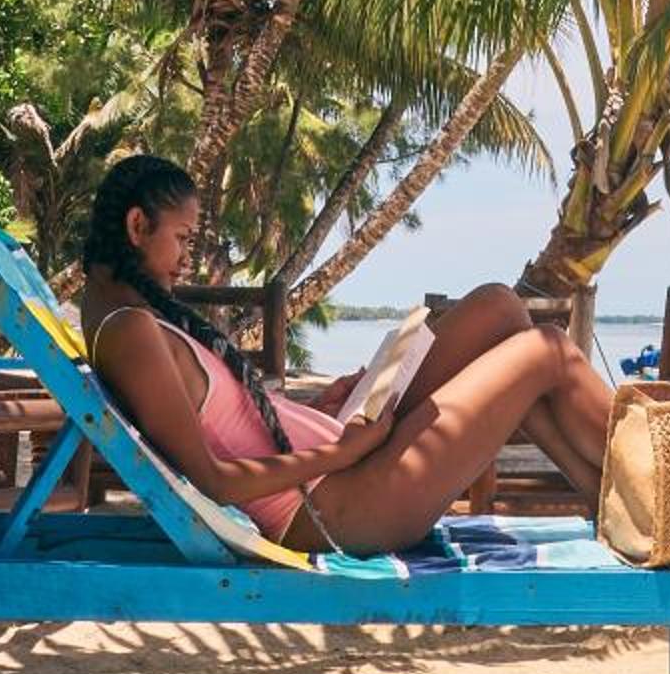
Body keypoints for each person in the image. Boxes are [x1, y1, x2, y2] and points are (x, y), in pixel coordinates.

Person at [79, 153, 615, 556]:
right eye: (183, 238)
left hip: (343, 469)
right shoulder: (131, 333)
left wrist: (321, 410)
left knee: (498, 308)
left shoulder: (128, 318)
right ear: (137, 227)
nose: (187, 260)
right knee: (546, 351)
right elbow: (215, 480)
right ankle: (652, 490)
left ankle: (604, 496)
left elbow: (230, 425)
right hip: (337, 509)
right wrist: (340, 453)